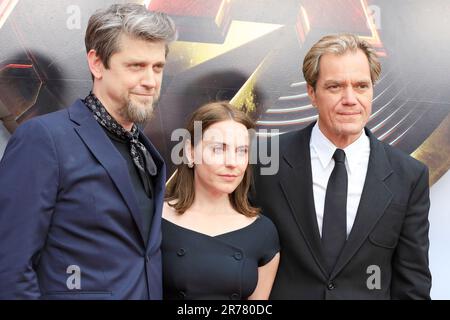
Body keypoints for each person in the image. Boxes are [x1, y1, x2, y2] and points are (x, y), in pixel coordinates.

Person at [0, 3, 176, 299]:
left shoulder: (144, 150)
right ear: (96, 63)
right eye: (136, 66)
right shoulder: (44, 139)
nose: (150, 81)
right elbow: (10, 268)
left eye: (157, 67)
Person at [251, 34, 431, 299]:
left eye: (361, 86)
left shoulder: (409, 176)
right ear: (311, 93)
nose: (350, 99)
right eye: (335, 87)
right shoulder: (265, 159)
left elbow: (412, 284)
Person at [163, 101, 280, 300]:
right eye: (218, 149)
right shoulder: (156, 220)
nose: (232, 163)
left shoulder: (263, 232)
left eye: (242, 151)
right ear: (191, 152)